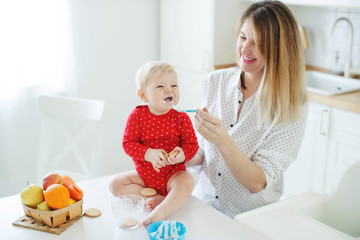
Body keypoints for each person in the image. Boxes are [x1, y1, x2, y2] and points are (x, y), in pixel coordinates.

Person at [187, 1, 308, 218]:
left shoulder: (292, 105)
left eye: (259, 43)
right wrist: (176, 151)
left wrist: (223, 140)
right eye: (243, 37)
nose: (245, 49)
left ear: (280, 49)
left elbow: (257, 182)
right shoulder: (215, 81)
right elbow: (203, 154)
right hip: (203, 206)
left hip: (250, 220)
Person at [109, 61, 199, 226]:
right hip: (144, 178)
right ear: (144, 96)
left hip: (173, 176)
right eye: (160, 87)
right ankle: (152, 198)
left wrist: (182, 155)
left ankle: (162, 210)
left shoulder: (182, 118)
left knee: (187, 181)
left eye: (174, 85)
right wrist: (148, 153)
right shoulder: (137, 116)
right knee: (115, 185)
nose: (169, 90)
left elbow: (192, 145)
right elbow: (128, 143)